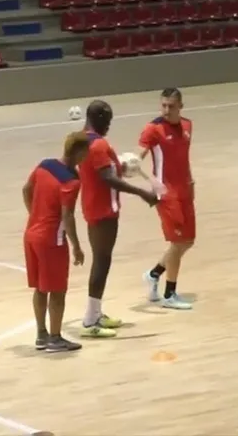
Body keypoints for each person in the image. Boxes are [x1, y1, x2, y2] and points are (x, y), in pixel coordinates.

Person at [78, 100, 160, 339]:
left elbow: (102, 172)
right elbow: (108, 179)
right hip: (104, 210)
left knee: (101, 260)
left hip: (92, 206)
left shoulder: (84, 140)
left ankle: (96, 312)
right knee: (102, 262)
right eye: (109, 121)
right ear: (101, 118)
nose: (109, 126)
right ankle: (90, 319)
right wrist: (142, 192)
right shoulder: (99, 144)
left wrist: (120, 167)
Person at [22, 131, 89, 353]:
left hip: (31, 234)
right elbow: (67, 215)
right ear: (78, 152)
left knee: (41, 288)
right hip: (52, 239)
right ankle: (55, 338)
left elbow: (26, 189)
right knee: (58, 291)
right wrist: (77, 246)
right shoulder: (71, 180)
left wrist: (34, 213)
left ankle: (41, 335)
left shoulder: (45, 165)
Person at [140, 88, 196, 310]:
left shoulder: (188, 126)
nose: (166, 110)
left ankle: (154, 274)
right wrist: (150, 179)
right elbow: (137, 157)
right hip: (166, 193)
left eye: (171, 106)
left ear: (180, 106)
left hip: (185, 190)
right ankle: (169, 294)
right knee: (178, 242)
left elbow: (184, 158)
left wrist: (191, 181)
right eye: (163, 105)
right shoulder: (153, 129)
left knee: (188, 240)